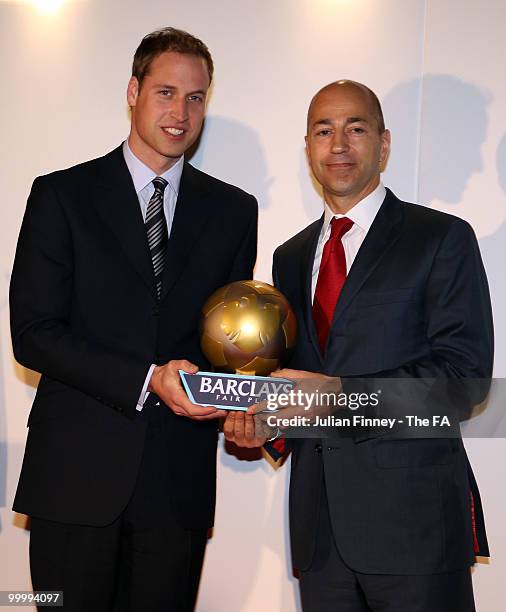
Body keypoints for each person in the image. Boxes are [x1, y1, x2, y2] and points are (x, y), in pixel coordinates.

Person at [10, 27, 257, 611]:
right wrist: (147, 378)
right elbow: (34, 334)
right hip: (72, 481)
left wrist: (253, 405)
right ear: (133, 91)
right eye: (166, 92)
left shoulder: (233, 210)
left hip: (177, 488)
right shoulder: (61, 195)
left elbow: (229, 343)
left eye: (196, 97)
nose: (180, 112)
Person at [224, 80, 492, 611]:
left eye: (356, 128)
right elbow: (299, 383)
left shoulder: (440, 238)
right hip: (320, 535)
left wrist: (339, 396)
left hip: (414, 529)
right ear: (308, 148)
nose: (339, 144)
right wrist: (268, 422)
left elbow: (464, 382)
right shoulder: (290, 256)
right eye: (323, 131)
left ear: (384, 144)